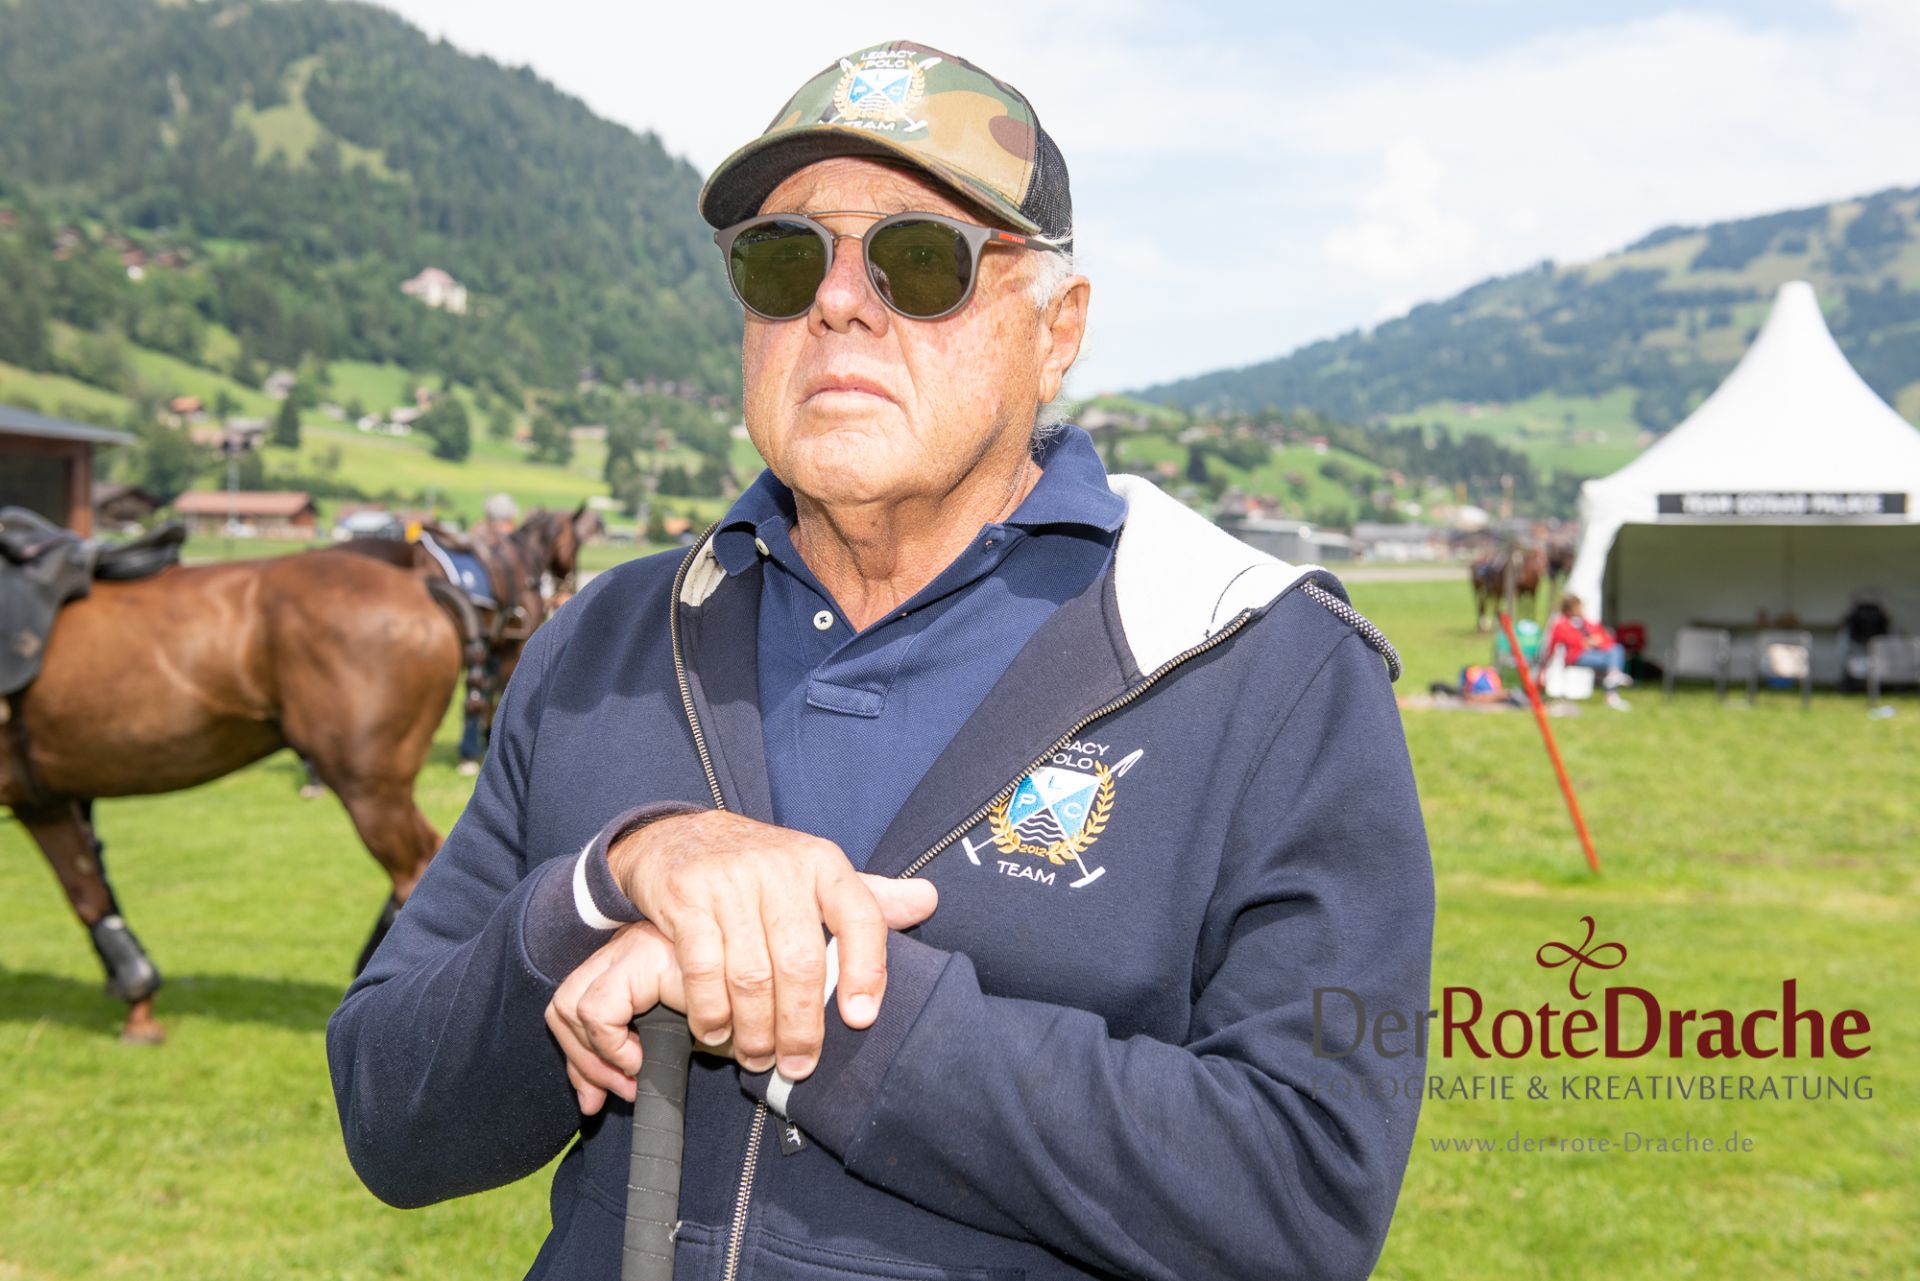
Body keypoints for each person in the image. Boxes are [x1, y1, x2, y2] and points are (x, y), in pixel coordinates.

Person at [327, 41, 1434, 1281]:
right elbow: (386, 1114)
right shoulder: (608, 641)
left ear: (1058, 330)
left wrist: (807, 1002)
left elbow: (1304, 1201)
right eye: (783, 260)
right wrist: (600, 888)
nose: (838, 304)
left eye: (919, 260)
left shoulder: (1254, 660)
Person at [1549, 593, 1632, 709]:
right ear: (1570, 609)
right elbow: (1559, 642)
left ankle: (1613, 676)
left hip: (1594, 653)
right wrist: (1583, 642)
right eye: (1578, 607)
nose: (1581, 610)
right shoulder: (1561, 624)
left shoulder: (1585, 623)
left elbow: (1604, 637)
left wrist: (1598, 640)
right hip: (1577, 656)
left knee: (1617, 649)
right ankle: (1612, 693)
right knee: (1611, 663)